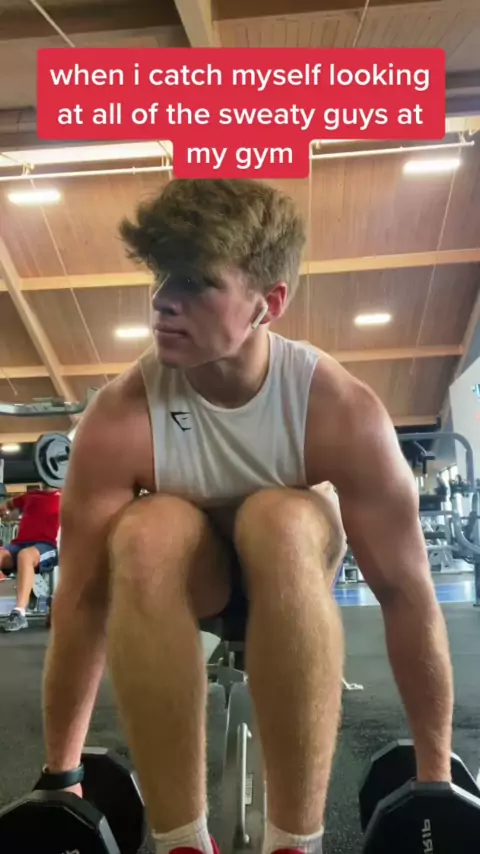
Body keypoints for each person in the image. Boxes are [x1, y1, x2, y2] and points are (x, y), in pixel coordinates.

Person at [39, 179, 453, 854]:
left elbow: (407, 593)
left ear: (270, 303)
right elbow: (81, 600)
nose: (162, 299)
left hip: (293, 563)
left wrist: (435, 779)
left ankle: (295, 842)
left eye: (197, 282)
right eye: (161, 276)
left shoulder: (337, 408)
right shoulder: (120, 417)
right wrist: (63, 776)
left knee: (280, 519)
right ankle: (181, 840)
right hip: (189, 580)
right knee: (146, 531)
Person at [0, 485, 60, 631]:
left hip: (47, 547)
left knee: (25, 555)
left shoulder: (67, 498)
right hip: (18, 545)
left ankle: (19, 613)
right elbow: (7, 506)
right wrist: (6, 511)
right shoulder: (30, 496)